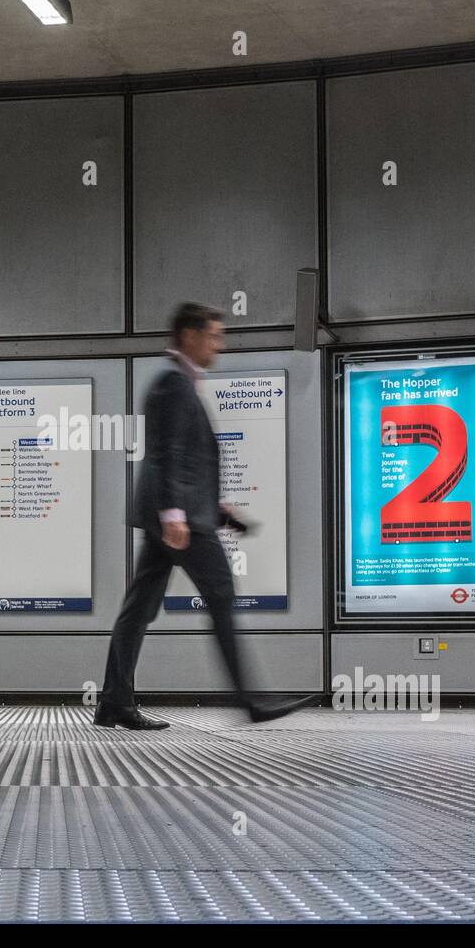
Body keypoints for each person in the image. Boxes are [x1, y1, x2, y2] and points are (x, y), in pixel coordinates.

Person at [94, 303, 313, 730]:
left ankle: (113, 702)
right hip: (182, 524)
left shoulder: (180, 384)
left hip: (182, 516)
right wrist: (176, 513)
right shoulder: (172, 385)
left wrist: (216, 507)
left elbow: (185, 458)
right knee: (221, 598)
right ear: (190, 336)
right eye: (214, 335)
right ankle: (252, 701)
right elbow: (166, 454)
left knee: (138, 609)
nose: (219, 344)